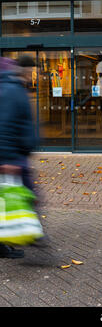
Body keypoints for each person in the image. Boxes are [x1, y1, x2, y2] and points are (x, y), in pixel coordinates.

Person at [0, 55, 39, 258]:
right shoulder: (12, 90)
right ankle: (33, 236)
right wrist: (7, 158)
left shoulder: (11, 89)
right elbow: (5, 126)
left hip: (14, 155)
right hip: (13, 157)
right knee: (27, 196)